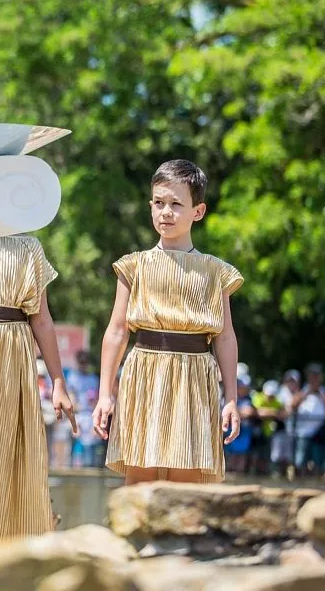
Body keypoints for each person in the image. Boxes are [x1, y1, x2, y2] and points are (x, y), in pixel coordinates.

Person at [93, 160, 243, 484]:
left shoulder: (215, 271)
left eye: (176, 204)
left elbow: (225, 337)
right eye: (159, 203)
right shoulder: (133, 266)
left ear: (198, 211)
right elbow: (117, 331)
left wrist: (231, 398)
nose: (166, 212)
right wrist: (105, 393)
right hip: (144, 372)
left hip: (194, 375)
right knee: (140, 477)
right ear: (150, 205)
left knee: (187, 481)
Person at [0, 235, 76, 536]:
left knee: (8, 448)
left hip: (12, 356)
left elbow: (41, 320)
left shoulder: (29, 247)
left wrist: (58, 382)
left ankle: (8, 536)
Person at [290, 363, 325, 477]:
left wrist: (322, 395)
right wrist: (306, 393)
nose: (315, 378)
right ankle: (299, 481)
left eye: (317, 375)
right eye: (312, 375)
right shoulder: (303, 389)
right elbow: (293, 405)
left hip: (319, 432)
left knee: (318, 460)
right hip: (303, 431)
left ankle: (316, 481)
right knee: (300, 459)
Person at [65, 352, 103, 468]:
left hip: (91, 415)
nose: (83, 366)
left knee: (92, 450)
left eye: (85, 363)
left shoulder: (93, 379)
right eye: (81, 363)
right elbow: (71, 398)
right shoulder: (72, 378)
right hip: (78, 415)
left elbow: (97, 399)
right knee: (76, 449)